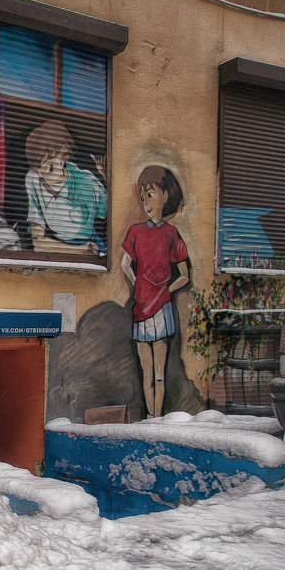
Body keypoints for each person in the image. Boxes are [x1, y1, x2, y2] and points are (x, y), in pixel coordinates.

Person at [121, 166, 190, 418]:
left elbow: (184, 275)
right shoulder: (135, 232)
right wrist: (139, 282)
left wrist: (165, 291)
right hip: (141, 306)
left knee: (159, 372)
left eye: (150, 194)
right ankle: (150, 417)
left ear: (165, 196)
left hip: (161, 309)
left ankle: (158, 418)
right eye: (143, 197)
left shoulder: (172, 234)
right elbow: (124, 264)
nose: (146, 202)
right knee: (146, 371)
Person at [23, 120, 107, 254]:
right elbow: (38, 242)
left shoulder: (85, 181)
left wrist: (107, 179)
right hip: (72, 249)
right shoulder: (33, 181)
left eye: (63, 164)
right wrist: (80, 251)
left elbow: (108, 212)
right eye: (50, 167)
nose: (61, 173)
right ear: (38, 170)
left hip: (92, 245)